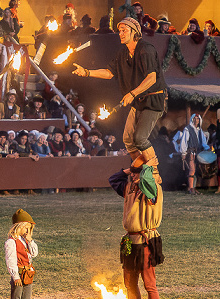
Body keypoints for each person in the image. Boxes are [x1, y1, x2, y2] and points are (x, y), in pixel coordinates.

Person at [72, 17, 167, 181]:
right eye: (120, 30)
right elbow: (109, 73)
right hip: (138, 101)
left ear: (135, 32)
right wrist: (87, 72)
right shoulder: (123, 53)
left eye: (124, 30)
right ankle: (141, 169)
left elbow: (151, 78)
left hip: (153, 100)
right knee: (128, 140)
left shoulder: (146, 49)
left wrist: (132, 93)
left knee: (139, 138)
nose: (121, 34)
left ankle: (154, 172)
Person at [109, 161, 163, 299]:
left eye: (136, 172)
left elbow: (148, 182)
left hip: (145, 239)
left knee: (149, 283)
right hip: (130, 241)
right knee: (130, 283)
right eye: (131, 172)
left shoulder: (152, 188)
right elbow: (113, 179)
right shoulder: (129, 187)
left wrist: (145, 169)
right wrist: (130, 169)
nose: (132, 175)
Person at [4, 209, 39, 299]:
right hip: (19, 274)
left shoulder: (25, 240)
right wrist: (15, 276)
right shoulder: (11, 242)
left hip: (28, 275)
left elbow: (34, 254)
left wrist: (30, 240)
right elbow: (10, 260)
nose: (27, 231)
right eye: (26, 228)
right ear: (19, 226)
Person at [180, 113, 209, 195]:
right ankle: (191, 188)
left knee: (196, 171)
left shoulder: (200, 130)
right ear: (192, 119)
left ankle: (193, 187)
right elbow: (184, 141)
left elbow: (203, 142)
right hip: (191, 152)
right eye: (195, 118)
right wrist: (183, 152)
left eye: (198, 119)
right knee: (192, 170)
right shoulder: (187, 129)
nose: (196, 120)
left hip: (198, 153)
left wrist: (207, 148)